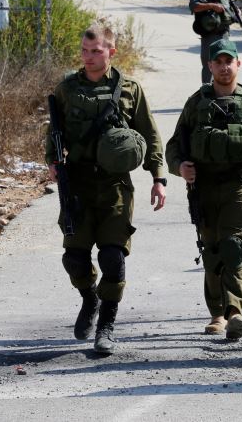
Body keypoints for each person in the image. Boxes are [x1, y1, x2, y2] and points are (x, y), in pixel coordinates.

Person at [46, 23, 167, 355]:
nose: (88, 57)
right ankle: (90, 298)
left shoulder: (130, 89)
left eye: (96, 51)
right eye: (84, 51)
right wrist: (52, 161)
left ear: (111, 51)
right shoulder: (67, 89)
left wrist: (158, 177)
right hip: (78, 185)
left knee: (113, 257)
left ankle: (107, 327)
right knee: (74, 259)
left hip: (115, 185)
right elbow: (54, 132)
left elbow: (150, 134)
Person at [165, 38, 242, 341]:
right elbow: (173, 147)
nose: (223, 66)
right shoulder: (196, 102)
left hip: (239, 186)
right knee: (212, 253)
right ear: (210, 66)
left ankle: (235, 312)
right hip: (203, 188)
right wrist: (180, 168)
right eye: (217, 62)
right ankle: (216, 313)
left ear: (238, 64)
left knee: (234, 247)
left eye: (228, 61)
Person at [189, 0, 235, 84]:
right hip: (210, 35)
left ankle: (223, 94)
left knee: (225, 66)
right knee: (209, 66)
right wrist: (212, 6)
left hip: (224, 34)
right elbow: (194, 6)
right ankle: (206, 95)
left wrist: (236, 12)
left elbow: (229, 8)